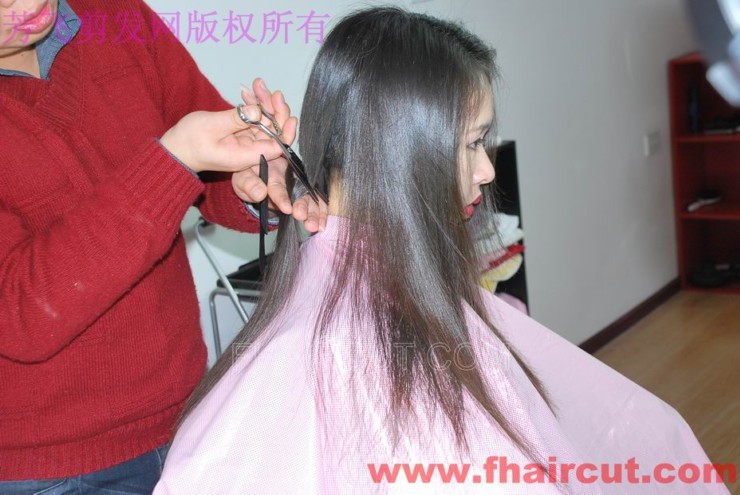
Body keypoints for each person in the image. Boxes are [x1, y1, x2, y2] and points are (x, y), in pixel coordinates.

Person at [155, 7, 729, 495]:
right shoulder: (341, 347)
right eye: (473, 143)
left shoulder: (356, 300)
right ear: (398, 148)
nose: (487, 170)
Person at [0, 0, 326, 493]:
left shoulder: (114, 15)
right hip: (51, 469)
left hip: (187, 417)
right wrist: (174, 159)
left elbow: (206, 170)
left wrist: (252, 181)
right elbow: (21, 312)